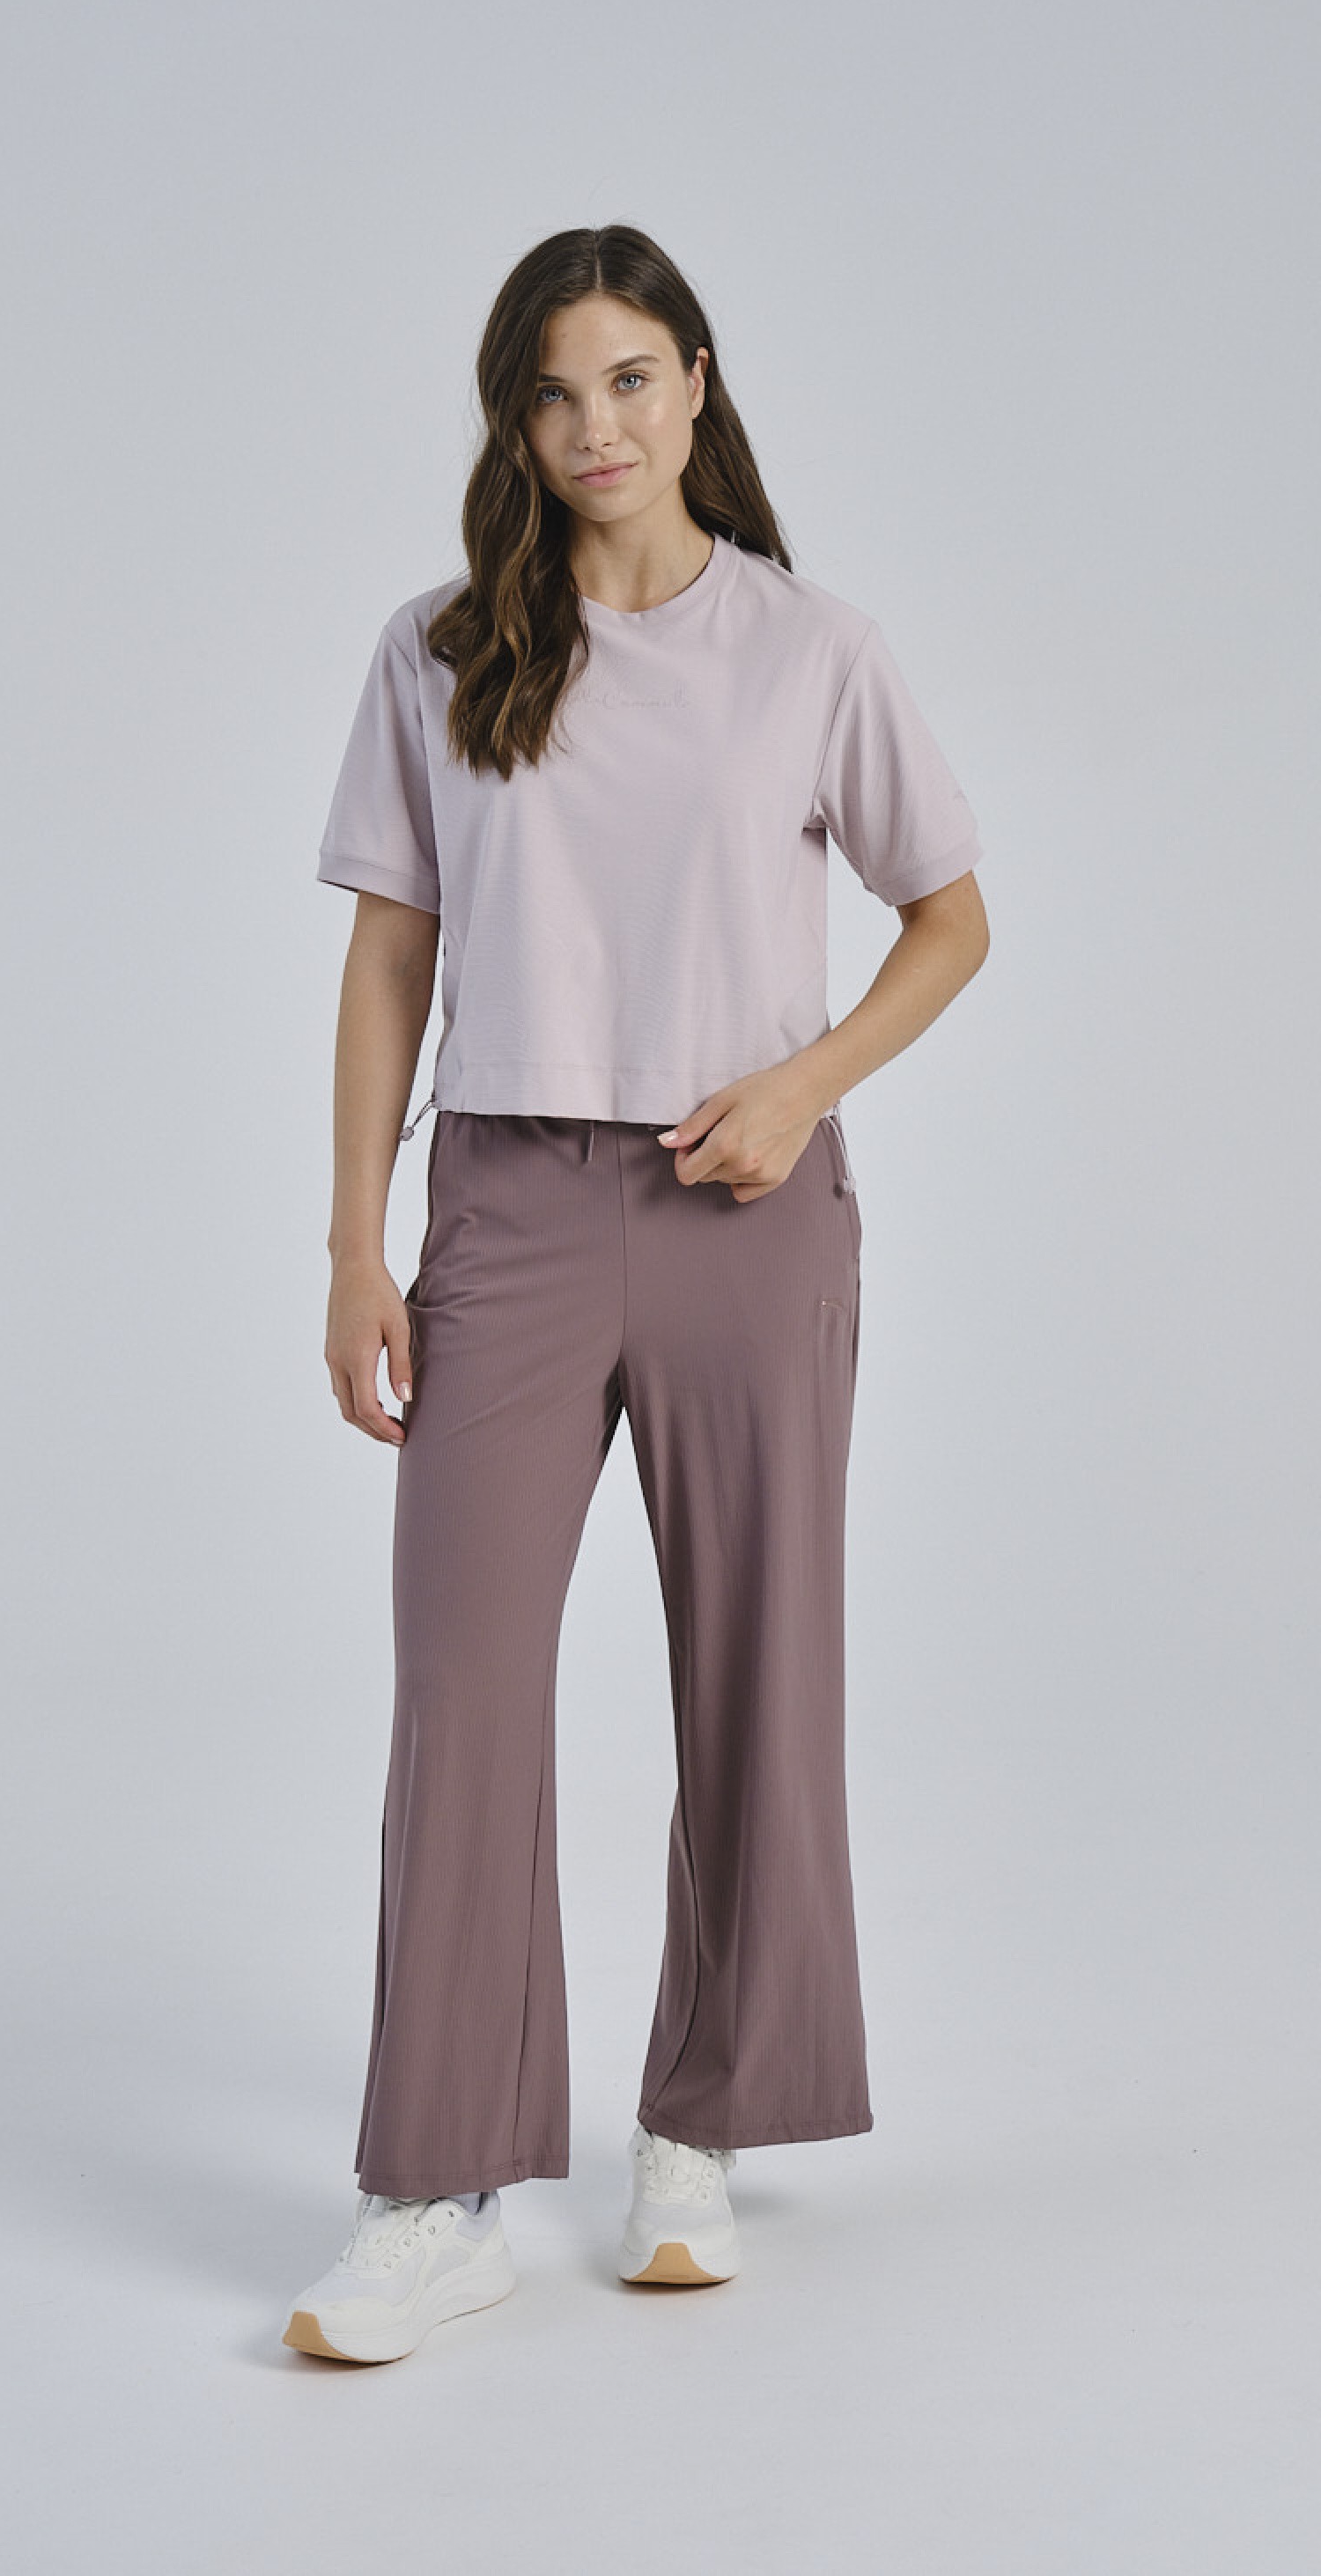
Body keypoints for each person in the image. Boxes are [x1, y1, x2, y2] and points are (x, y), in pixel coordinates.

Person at [284, 224, 989, 2366]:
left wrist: (805, 1080)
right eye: (547, 391)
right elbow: (390, 957)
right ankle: (436, 2191)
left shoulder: (812, 648)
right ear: (514, 422)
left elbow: (952, 918)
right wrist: (353, 1241)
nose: (590, 425)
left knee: (757, 1673)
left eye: (624, 379)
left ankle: (698, 2127)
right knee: (460, 1687)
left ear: (693, 382)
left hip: (743, 1208)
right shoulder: (438, 651)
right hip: (504, 1208)